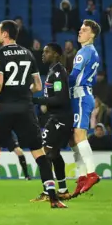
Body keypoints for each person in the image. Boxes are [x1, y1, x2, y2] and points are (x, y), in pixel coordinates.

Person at [0, 20, 66, 208]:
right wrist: (23, 93)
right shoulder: (28, 53)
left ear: (6, 34)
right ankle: (54, 198)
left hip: (3, 109)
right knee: (40, 155)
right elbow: (38, 86)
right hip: (25, 110)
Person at [30, 43, 73, 202]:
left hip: (60, 119)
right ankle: (63, 190)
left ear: (56, 54)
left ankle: (48, 192)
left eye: (47, 52)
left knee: (44, 152)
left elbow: (60, 99)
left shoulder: (58, 72)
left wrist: (36, 100)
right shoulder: (53, 71)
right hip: (57, 118)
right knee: (54, 154)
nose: (43, 54)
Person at [69, 20, 102, 197]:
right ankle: (82, 176)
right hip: (79, 96)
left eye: (84, 30)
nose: (80, 31)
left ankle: (91, 173)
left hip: (81, 96)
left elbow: (74, 76)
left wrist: (58, 88)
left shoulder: (84, 51)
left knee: (79, 134)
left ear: (93, 35)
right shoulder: (93, 53)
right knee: (73, 139)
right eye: (80, 28)